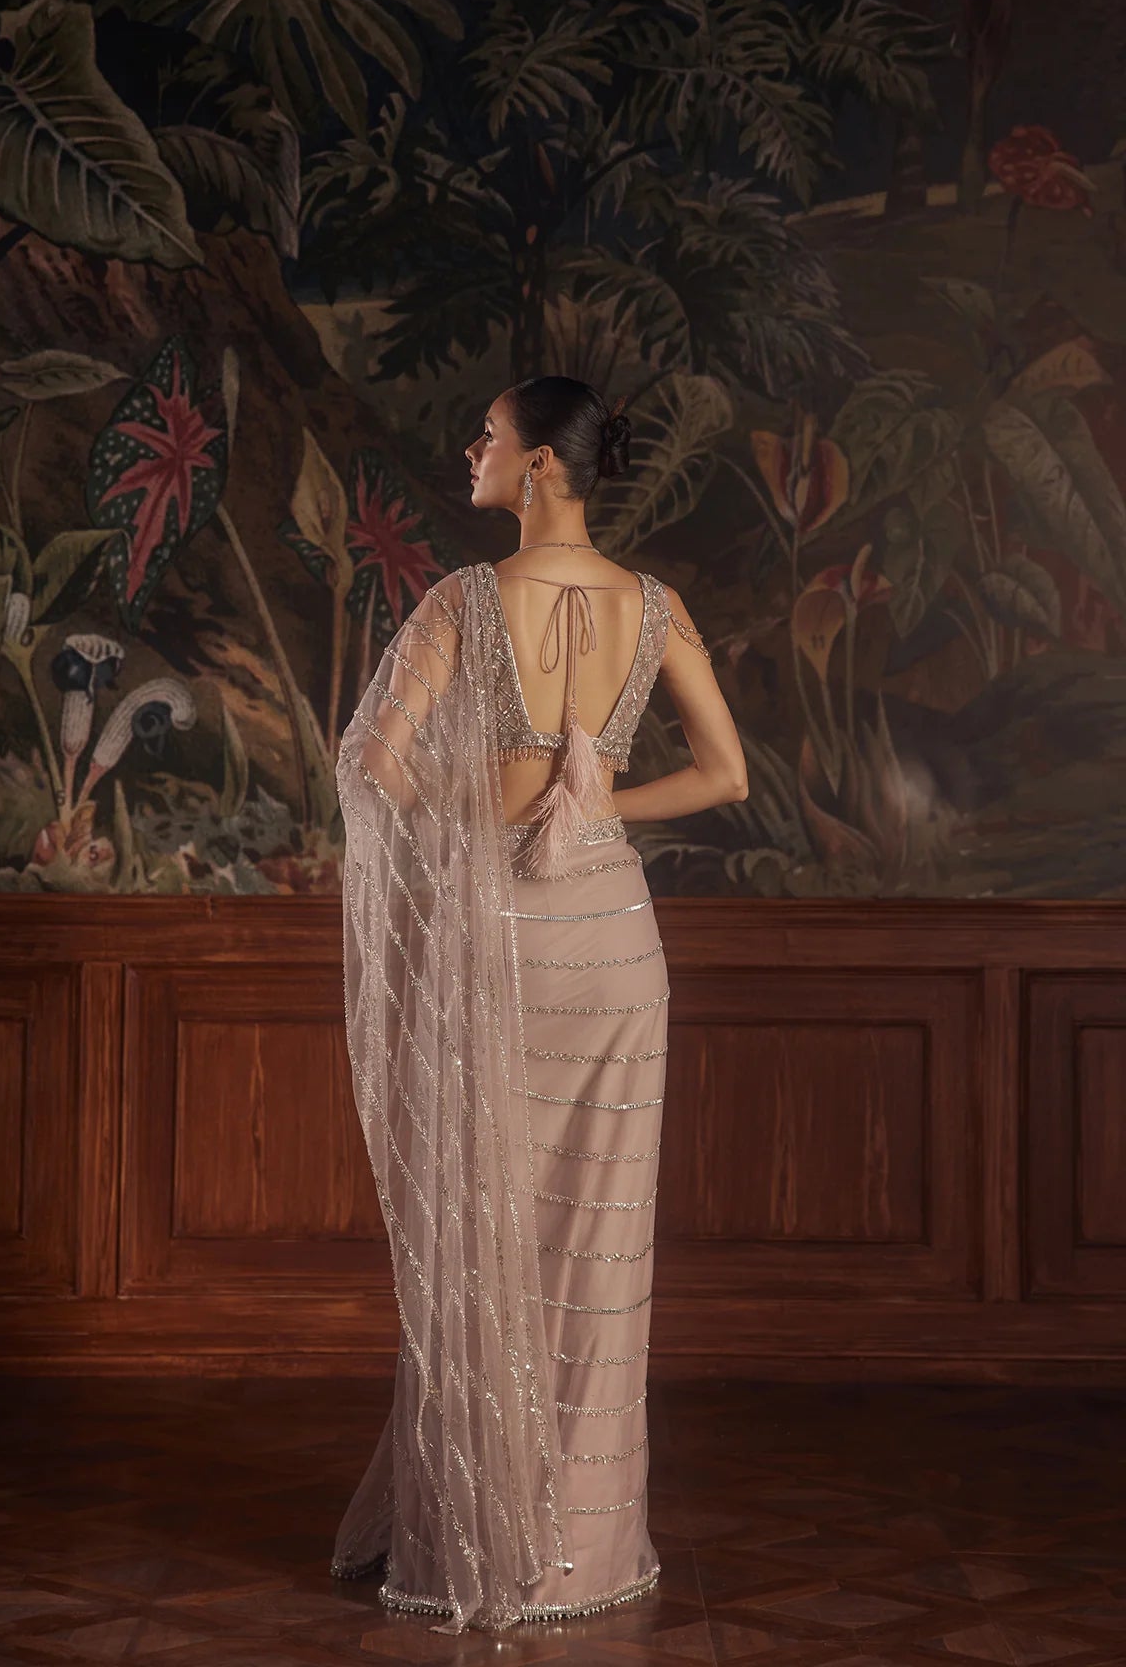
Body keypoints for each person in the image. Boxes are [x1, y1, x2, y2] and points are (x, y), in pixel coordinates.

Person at [328, 376, 747, 1634]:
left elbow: (371, 763)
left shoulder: (465, 601)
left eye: (491, 436)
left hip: (504, 943)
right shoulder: (655, 607)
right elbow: (726, 776)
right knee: (598, 1253)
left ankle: (486, 1533)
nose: (474, 450)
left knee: (489, 1236)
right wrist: (599, 801)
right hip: (614, 945)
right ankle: (585, 1552)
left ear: (543, 465)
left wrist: (470, 837)